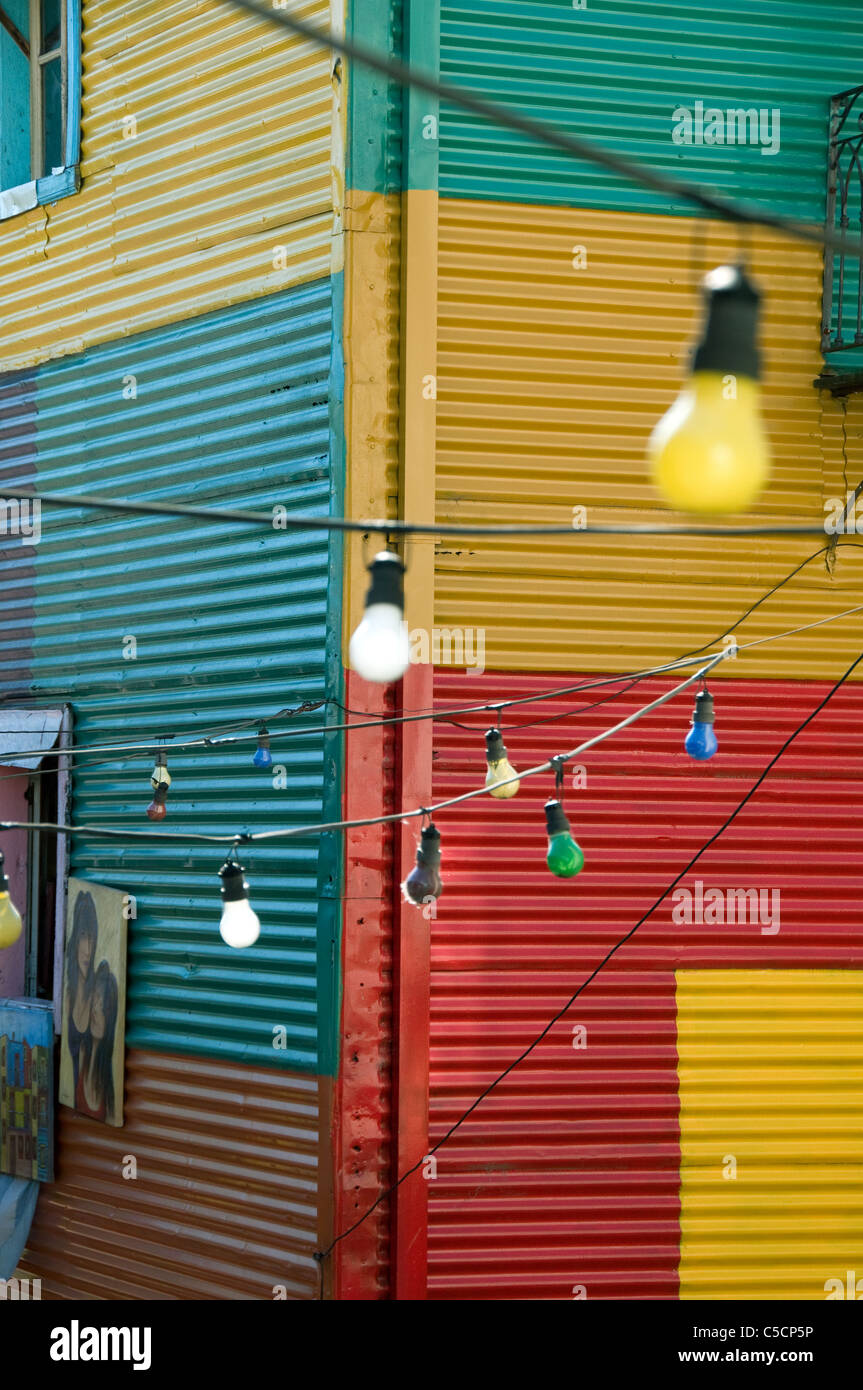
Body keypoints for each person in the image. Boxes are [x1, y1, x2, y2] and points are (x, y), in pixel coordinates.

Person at [75, 961, 118, 1124]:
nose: (95, 1010)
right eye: (95, 999)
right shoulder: (80, 1052)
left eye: (103, 1005)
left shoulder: (109, 1087)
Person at [65, 892, 98, 1095]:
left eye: (92, 938)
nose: (88, 950)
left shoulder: (97, 998)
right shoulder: (68, 996)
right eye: (83, 936)